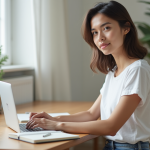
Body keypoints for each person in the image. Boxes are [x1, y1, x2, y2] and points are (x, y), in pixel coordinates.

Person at [26, 1, 150, 150]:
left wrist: (58, 125)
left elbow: (111, 126)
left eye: (106, 28)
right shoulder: (114, 72)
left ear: (126, 28)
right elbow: (91, 114)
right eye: (95, 32)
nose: (100, 38)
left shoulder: (138, 69)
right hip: (112, 146)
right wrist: (53, 118)